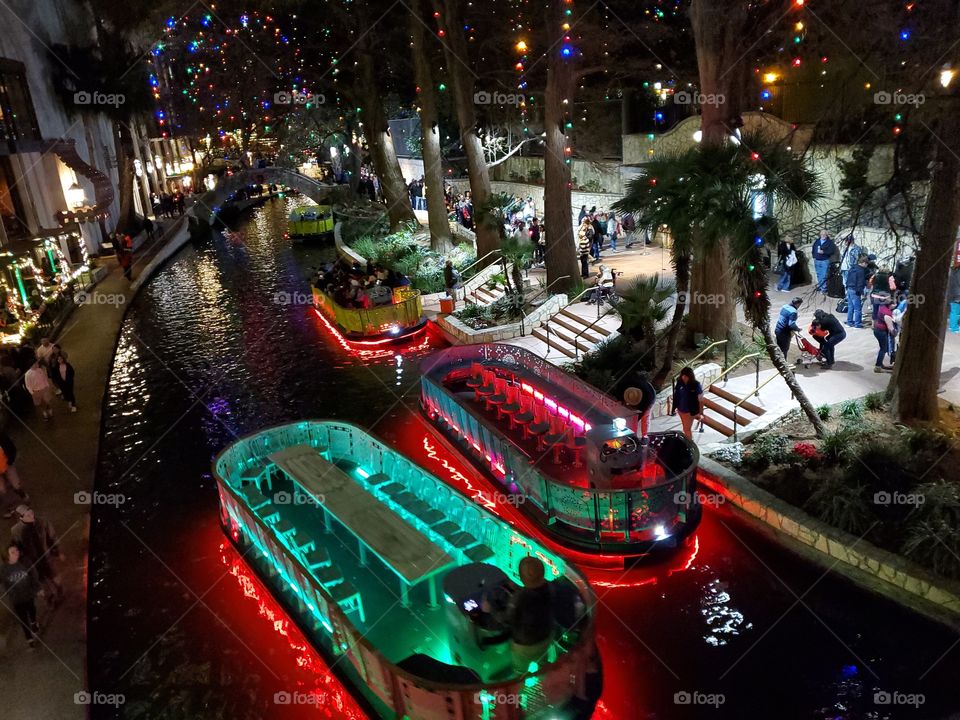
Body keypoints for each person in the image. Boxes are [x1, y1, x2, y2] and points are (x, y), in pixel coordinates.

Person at [505, 557, 555, 673]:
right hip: (546, 636)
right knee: (543, 662)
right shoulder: (550, 587)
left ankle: (520, 683)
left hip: (525, 644)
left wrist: (490, 609)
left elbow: (508, 619)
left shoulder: (519, 598)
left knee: (520, 669)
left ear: (522, 577)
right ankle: (545, 681)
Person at [11, 505, 63, 605]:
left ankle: (60, 590)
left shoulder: (42, 522)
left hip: (46, 556)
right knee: (41, 581)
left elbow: (52, 536)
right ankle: (50, 599)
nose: (32, 516)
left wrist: (56, 550)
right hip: (32, 561)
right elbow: (17, 545)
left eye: (32, 513)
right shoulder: (15, 530)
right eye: (28, 515)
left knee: (54, 576)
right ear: (21, 518)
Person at [1, 544, 41, 647]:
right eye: (12, 552)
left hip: (28, 594)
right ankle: (29, 639)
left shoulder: (25, 562)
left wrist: (38, 588)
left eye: (17, 550)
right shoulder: (4, 569)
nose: (16, 553)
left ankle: (33, 622)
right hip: (16, 599)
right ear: (8, 556)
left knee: (32, 610)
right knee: (23, 618)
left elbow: (34, 575)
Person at [672, 367, 703, 440]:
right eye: (683, 375)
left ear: (690, 376)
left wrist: (700, 413)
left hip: (689, 411)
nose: (683, 377)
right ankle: (689, 441)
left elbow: (700, 400)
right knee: (685, 428)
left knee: (687, 429)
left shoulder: (696, 385)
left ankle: (690, 444)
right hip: (680, 410)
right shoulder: (679, 382)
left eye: (686, 376)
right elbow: (677, 394)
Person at [873, 294, 896, 372]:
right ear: (890, 305)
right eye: (894, 304)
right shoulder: (887, 314)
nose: (895, 305)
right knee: (884, 349)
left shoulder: (882, 307)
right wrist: (895, 332)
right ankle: (878, 367)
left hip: (876, 329)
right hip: (881, 332)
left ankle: (880, 363)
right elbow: (891, 328)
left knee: (882, 347)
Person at [845, 255, 868, 327]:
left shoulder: (852, 267)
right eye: (866, 264)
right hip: (855, 290)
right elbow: (860, 283)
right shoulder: (861, 271)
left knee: (850, 306)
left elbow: (848, 278)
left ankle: (849, 322)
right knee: (857, 308)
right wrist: (862, 292)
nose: (867, 265)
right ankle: (858, 324)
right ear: (863, 263)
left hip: (849, 288)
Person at [949, 264, 960, 334]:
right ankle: (954, 327)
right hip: (957, 294)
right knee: (955, 312)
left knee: (955, 311)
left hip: (953, 293)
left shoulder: (953, 270)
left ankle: (953, 326)